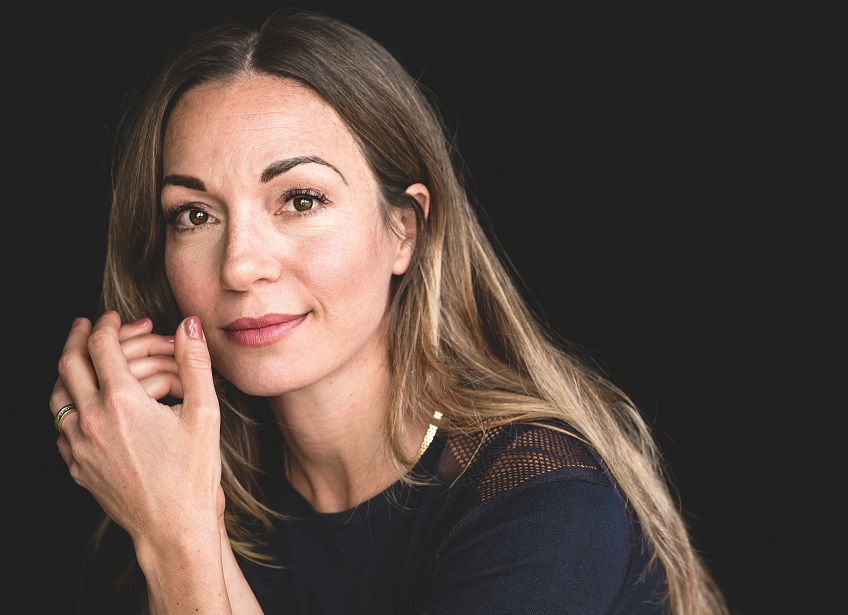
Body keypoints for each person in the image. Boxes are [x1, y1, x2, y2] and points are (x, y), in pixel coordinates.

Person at [50, 7, 729, 615]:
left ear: (404, 229)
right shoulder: (181, 477)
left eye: (301, 200)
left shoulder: (541, 497)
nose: (239, 266)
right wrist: (180, 512)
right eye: (195, 214)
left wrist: (174, 537)